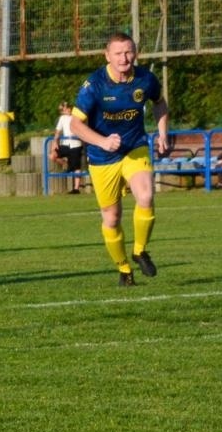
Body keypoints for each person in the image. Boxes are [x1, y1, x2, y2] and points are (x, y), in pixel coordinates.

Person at [67, 32, 170, 286]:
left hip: (134, 147)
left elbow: (160, 103)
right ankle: (124, 269)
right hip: (103, 157)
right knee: (112, 218)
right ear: (107, 56)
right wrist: (102, 141)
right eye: (119, 53)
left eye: (129, 52)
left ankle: (140, 250)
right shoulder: (95, 85)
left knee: (146, 196)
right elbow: (75, 124)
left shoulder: (145, 78)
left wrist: (162, 134)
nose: (125, 58)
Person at [50, 100, 85, 194]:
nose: (66, 110)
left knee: (76, 166)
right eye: (63, 109)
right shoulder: (62, 118)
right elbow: (58, 131)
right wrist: (55, 141)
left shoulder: (77, 116)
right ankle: (64, 163)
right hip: (66, 143)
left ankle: (76, 188)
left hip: (76, 144)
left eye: (66, 108)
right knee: (52, 155)